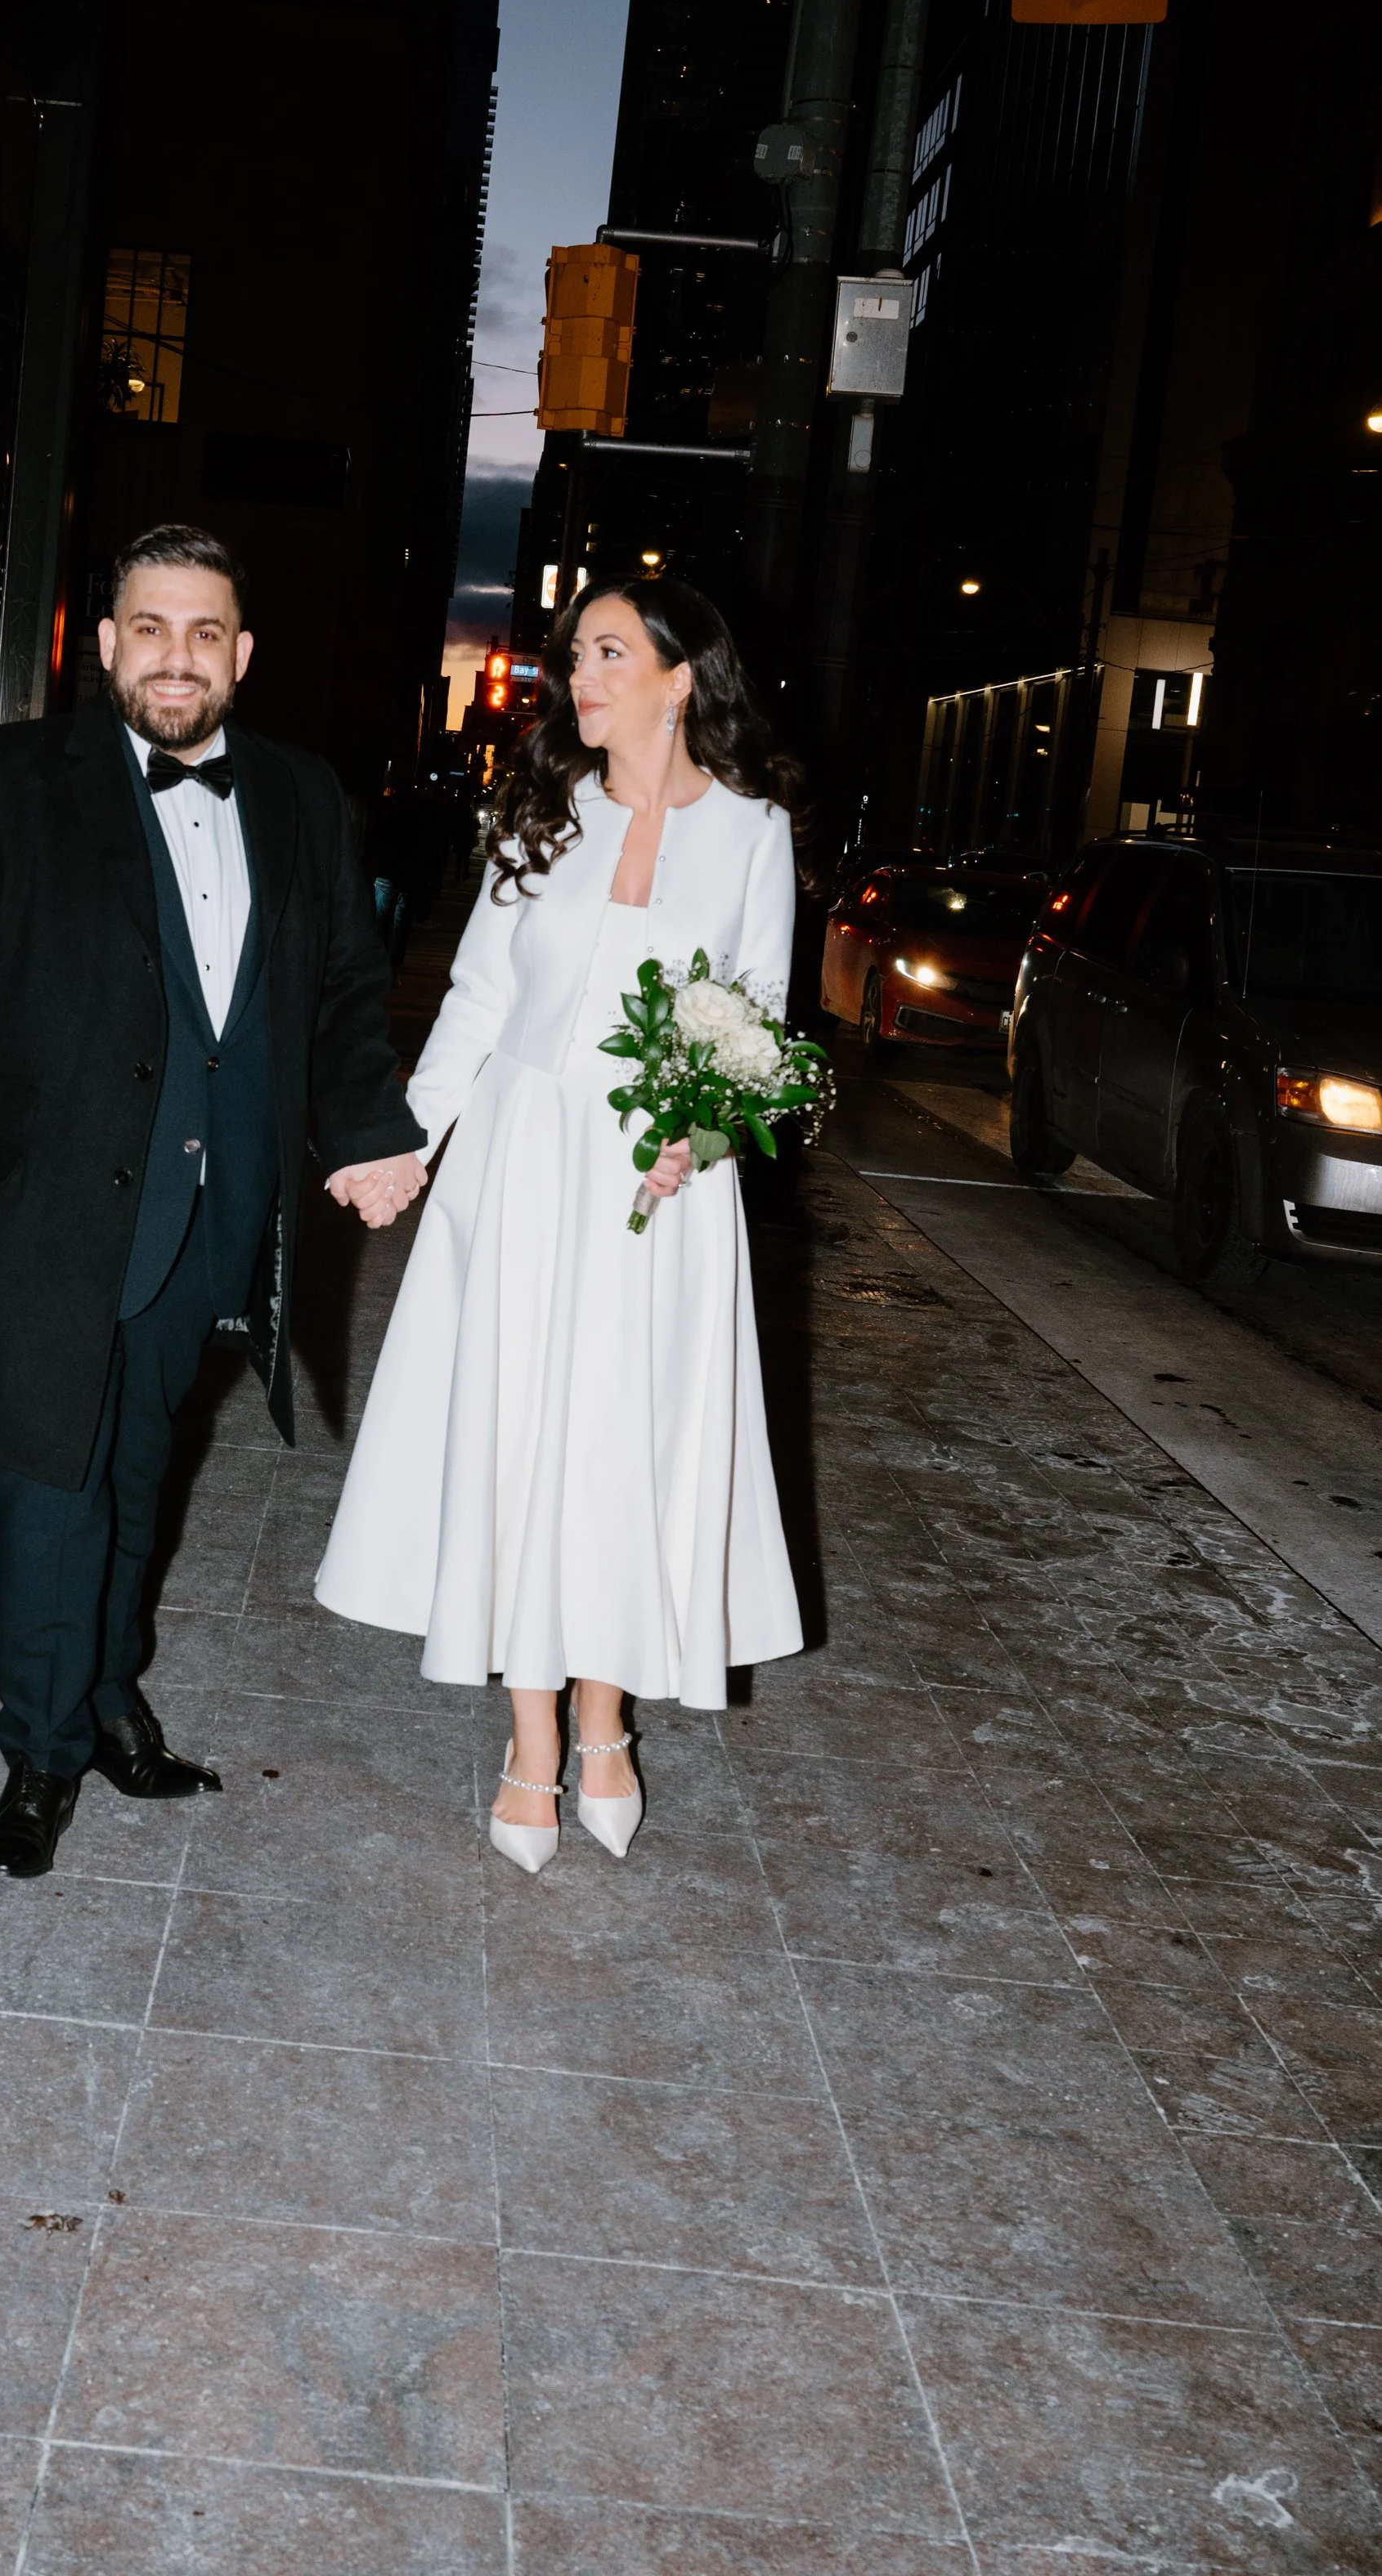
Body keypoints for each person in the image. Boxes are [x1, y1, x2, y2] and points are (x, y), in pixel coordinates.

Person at [0, 524, 427, 1879]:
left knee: (136, 1469)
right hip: (49, 1207)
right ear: (106, 640)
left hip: (218, 1210)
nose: (174, 656)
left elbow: (348, 993)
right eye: (149, 627)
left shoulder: (303, 796)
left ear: (239, 655)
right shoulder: (1, 784)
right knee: (43, 1476)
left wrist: (366, 1132)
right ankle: (40, 1753)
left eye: (204, 633)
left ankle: (111, 1699)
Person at [315, 574, 805, 1871]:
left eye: (603, 653)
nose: (575, 678)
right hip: (525, 1170)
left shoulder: (753, 834)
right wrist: (402, 1146)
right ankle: (536, 1736)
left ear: (678, 675)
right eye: (571, 655)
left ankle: (609, 1719)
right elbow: (476, 1000)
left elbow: (759, 1024)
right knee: (520, 1435)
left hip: (664, 1192)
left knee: (625, 1449)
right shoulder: (542, 812)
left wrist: (697, 1136)